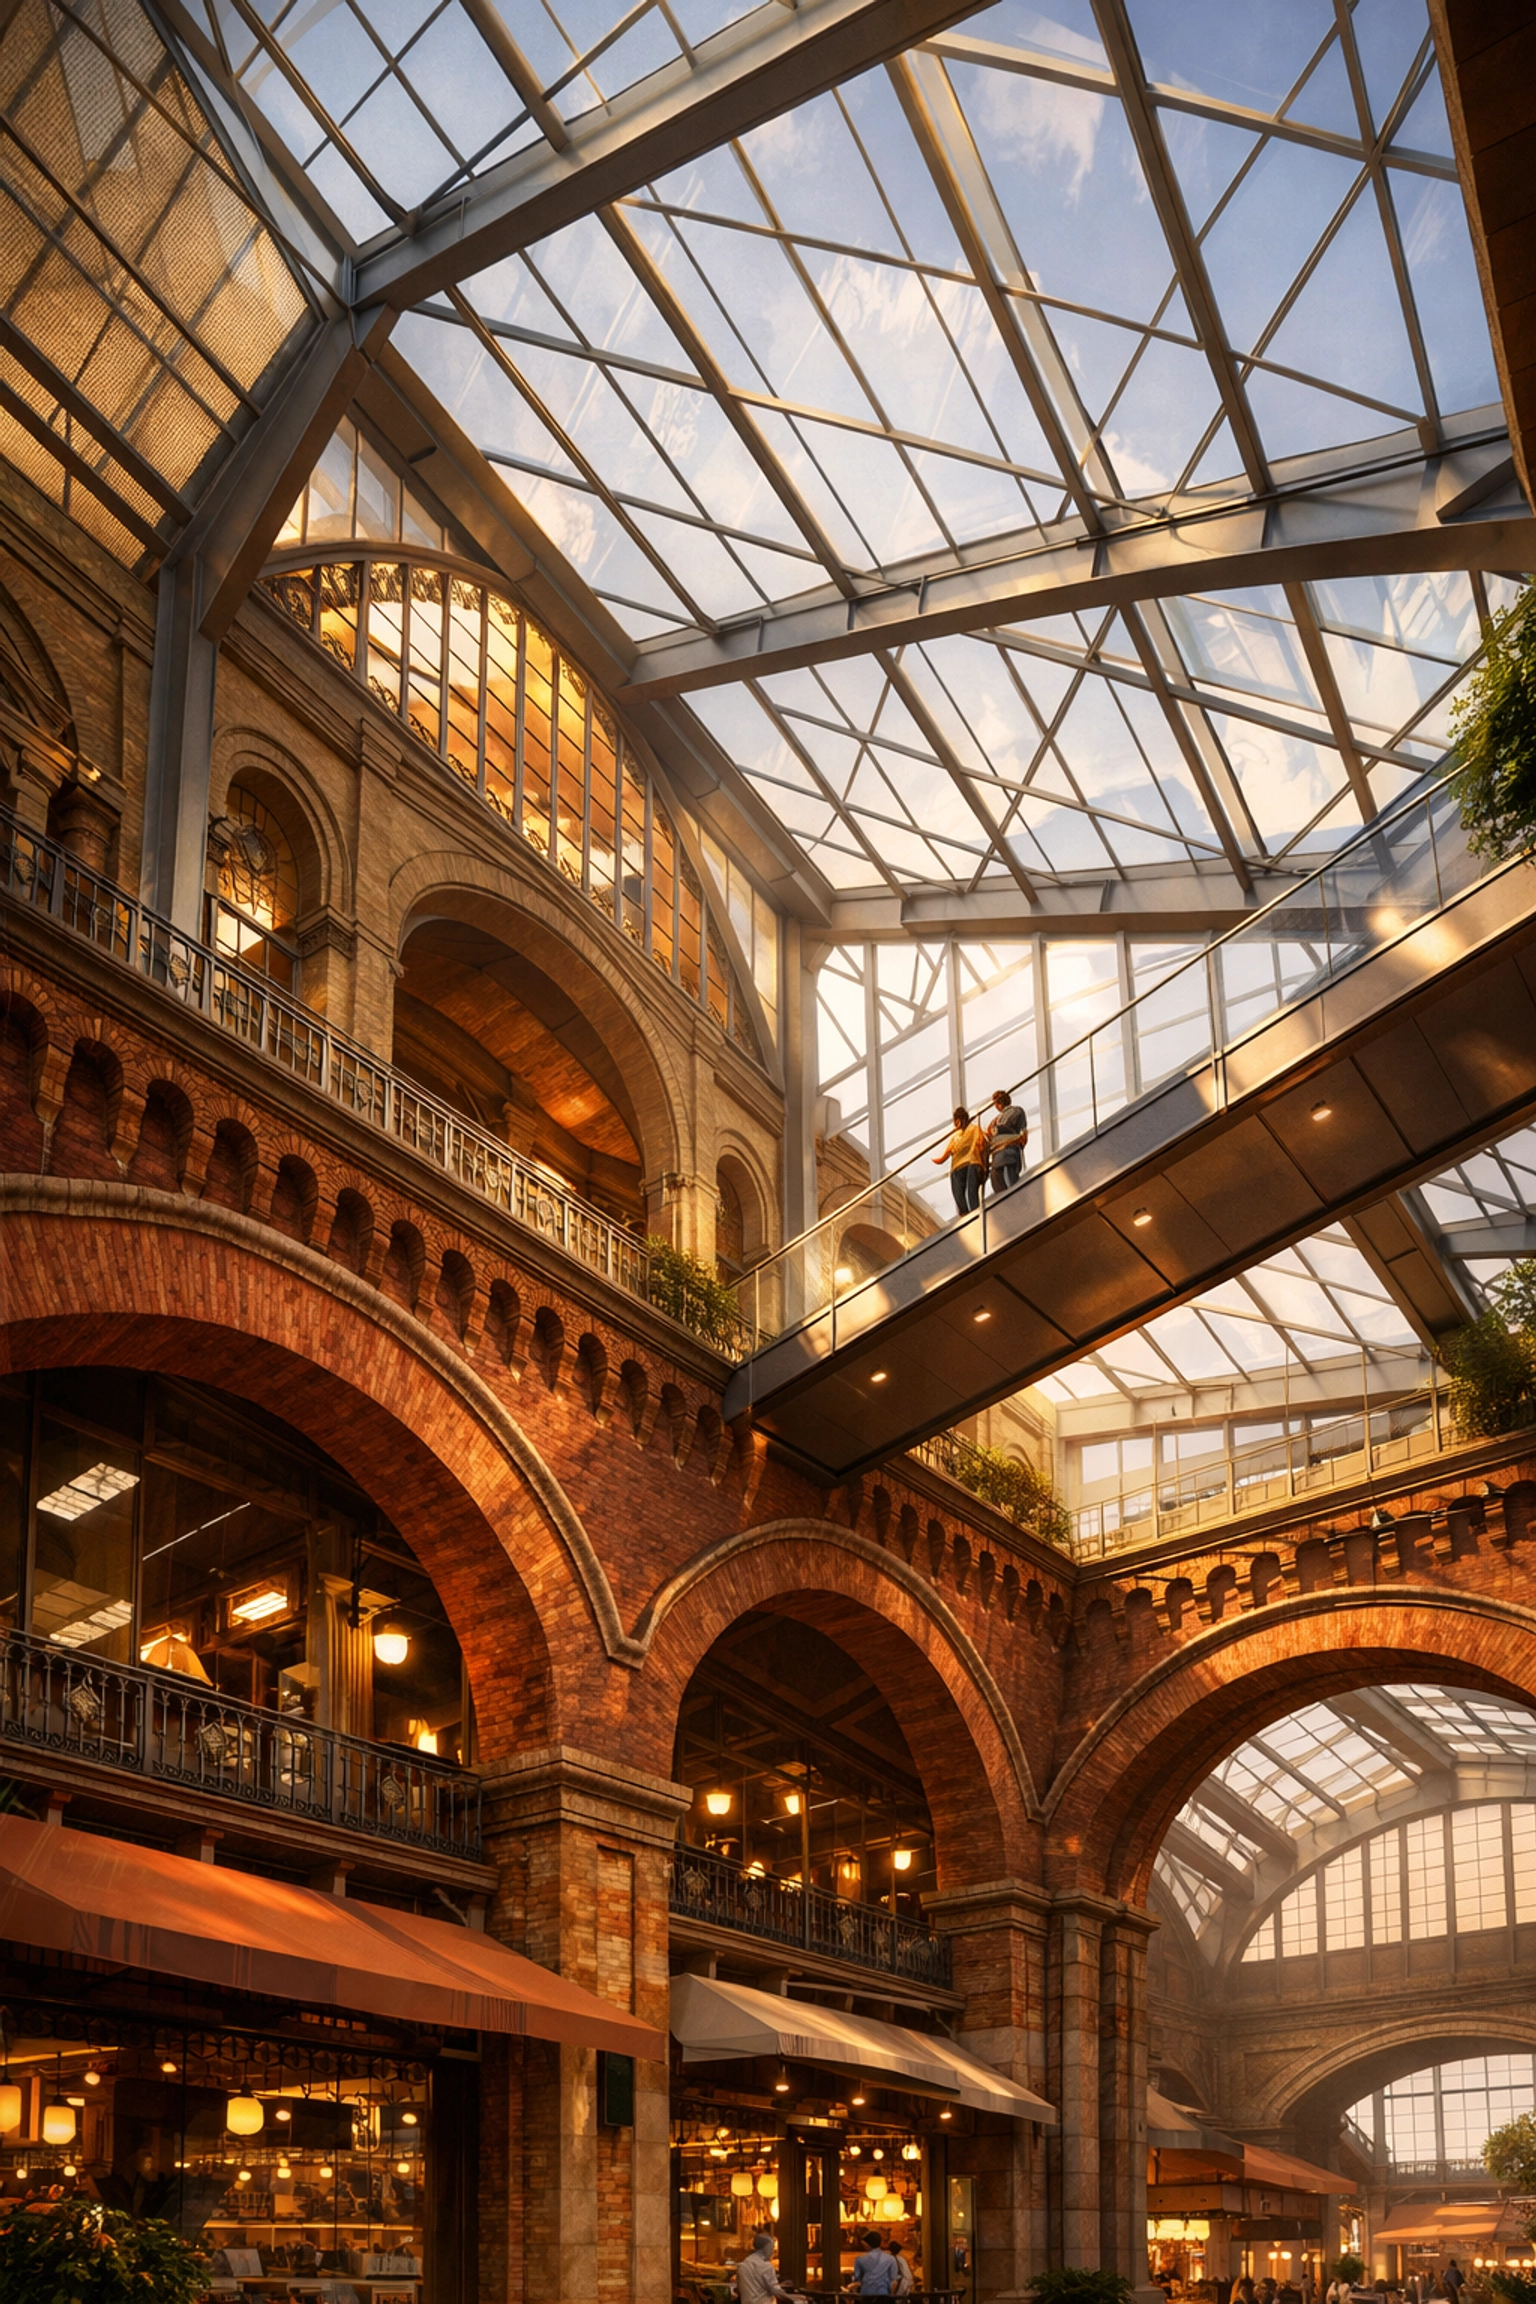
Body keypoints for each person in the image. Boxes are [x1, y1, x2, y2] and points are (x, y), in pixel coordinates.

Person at [933, 1105, 987, 1216]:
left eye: (958, 1120)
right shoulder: (955, 1136)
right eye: (955, 1120)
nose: (956, 1123)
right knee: (958, 1195)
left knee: (971, 1192)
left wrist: (984, 1166)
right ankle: (965, 1215)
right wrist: (938, 1160)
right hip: (957, 1167)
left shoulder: (974, 1129)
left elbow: (982, 1145)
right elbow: (946, 1154)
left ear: (963, 1119)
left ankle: (976, 1214)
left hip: (972, 1162)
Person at [734, 2232, 803, 2304]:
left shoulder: (743, 2265)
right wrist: (793, 2298)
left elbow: (754, 2286)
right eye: (772, 2248)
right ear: (767, 2247)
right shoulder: (765, 2266)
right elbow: (775, 2291)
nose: (773, 2251)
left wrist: (781, 2285)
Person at [986, 1087, 1029, 1192]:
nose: (996, 1106)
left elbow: (1021, 1131)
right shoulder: (996, 1120)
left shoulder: (1015, 1111)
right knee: (1001, 1183)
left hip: (1006, 1151)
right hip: (999, 1154)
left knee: (1009, 1185)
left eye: (996, 1103)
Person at [849, 2231, 897, 2295]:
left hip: (866, 2294)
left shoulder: (860, 2260)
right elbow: (894, 2281)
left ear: (867, 2245)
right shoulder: (891, 2259)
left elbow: (857, 2279)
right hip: (884, 2294)